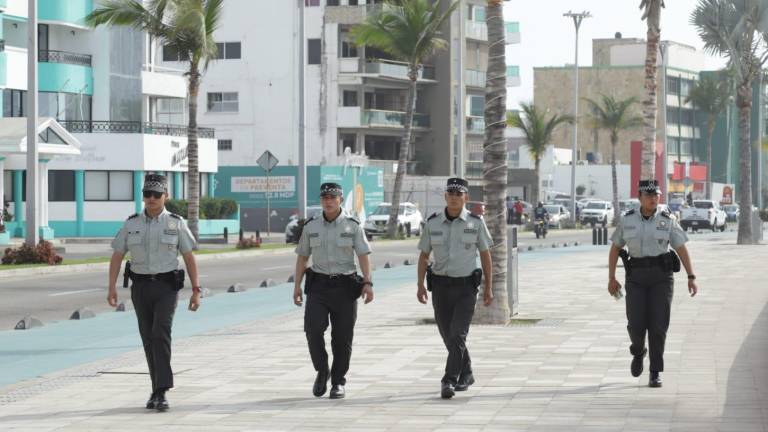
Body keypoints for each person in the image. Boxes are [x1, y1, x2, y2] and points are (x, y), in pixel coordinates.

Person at [107, 173, 202, 411]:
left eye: (156, 195)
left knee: (160, 333)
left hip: (166, 287)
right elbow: (117, 255)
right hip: (140, 287)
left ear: (165, 196)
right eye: (147, 194)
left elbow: (189, 258)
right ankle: (156, 388)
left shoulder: (176, 224)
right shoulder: (132, 224)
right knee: (148, 338)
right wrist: (111, 287)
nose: (151, 199)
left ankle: (161, 390)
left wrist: (196, 290)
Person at [608, 179, 698, 388]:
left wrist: (691, 277)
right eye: (649, 195)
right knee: (636, 325)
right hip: (636, 278)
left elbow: (681, 248)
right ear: (640, 197)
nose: (653, 198)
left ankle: (655, 371)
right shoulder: (628, 220)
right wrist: (612, 278)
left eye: (656, 195)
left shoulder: (668, 219)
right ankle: (638, 351)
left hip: (661, 278)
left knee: (658, 327)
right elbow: (615, 248)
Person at [293, 182, 374, 399]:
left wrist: (367, 283)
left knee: (342, 337)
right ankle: (322, 370)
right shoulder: (311, 226)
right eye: (324, 198)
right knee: (312, 330)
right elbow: (302, 256)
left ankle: (338, 381)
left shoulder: (352, 225)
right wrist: (296, 287)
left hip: (345, 287)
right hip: (318, 286)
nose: (328, 201)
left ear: (339, 199)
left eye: (332, 197)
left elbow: (364, 255)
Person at [416, 177, 494, 399]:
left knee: (458, 334)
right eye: (450, 194)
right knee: (448, 336)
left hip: (466, 288)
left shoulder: (476, 223)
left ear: (466, 198)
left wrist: (489, 287)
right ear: (445, 197)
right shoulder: (432, 223)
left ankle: (448, 380)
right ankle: (466, 372)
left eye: (458, 194)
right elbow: (423, 256)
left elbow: (485, 255)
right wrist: (420, 285)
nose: (453, 198)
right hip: (440, 287)